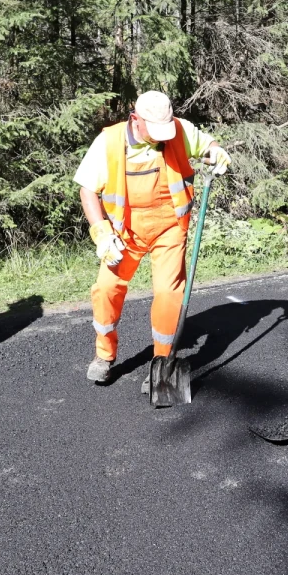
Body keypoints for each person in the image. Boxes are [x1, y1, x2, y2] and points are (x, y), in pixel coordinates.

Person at [74, 91, 230, 386]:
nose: (162, 137)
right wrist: (101, 233)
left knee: (169, 295)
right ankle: (104, 356)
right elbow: (87, 189)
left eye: (166, 129)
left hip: (169, 228)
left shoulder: (178, 130)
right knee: (107, 289)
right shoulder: (108, 142)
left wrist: (216, 151)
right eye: (155, 131)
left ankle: (163, 362)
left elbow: (209, 144)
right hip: (124, 232)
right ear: (136, 120)